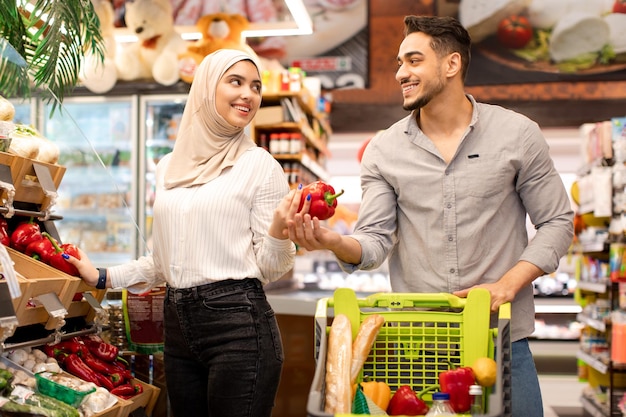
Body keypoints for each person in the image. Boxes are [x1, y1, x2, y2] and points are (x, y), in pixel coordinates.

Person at [287, 15, 574, 417]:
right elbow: (374, 241)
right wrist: (335, 241)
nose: (401, 73)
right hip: (420, 348)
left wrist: (507, 284)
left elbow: (558, 222)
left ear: (451, 65)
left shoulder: (517, 134)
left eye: (414, 60)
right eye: (399, 64)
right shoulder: (384, 150)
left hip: (502, 341)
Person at [65, 49, 299, 417]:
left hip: (239, 326)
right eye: (235, 82)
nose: (249, 95)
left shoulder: (260, 166)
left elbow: (271, 268)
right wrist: (103, 277)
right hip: (176, 325)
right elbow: (162, 262)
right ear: (206, 89)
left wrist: (279, 232)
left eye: (256, 86)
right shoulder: (168, 167)